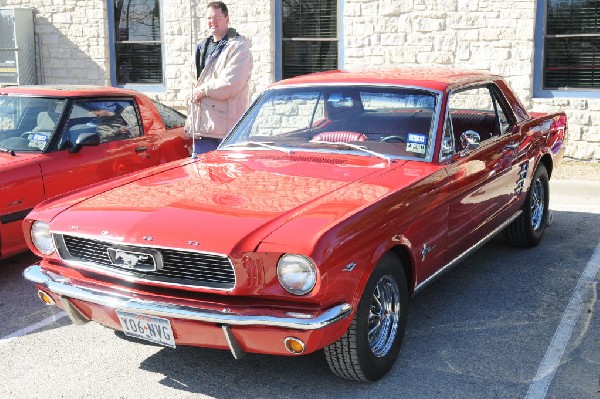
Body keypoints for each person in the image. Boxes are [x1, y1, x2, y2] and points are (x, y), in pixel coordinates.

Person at [186, 1, 253, 155]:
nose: (212, 22)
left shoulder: (238, 47)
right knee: (200, 176)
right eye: (209, 18)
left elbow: (230, 84)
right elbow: (188, 81)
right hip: (201, 129)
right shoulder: (200, 48)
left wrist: (201, 91)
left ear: (227, 18)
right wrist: (189, 94)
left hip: (226, 133)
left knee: (227, 177)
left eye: (217, 17)